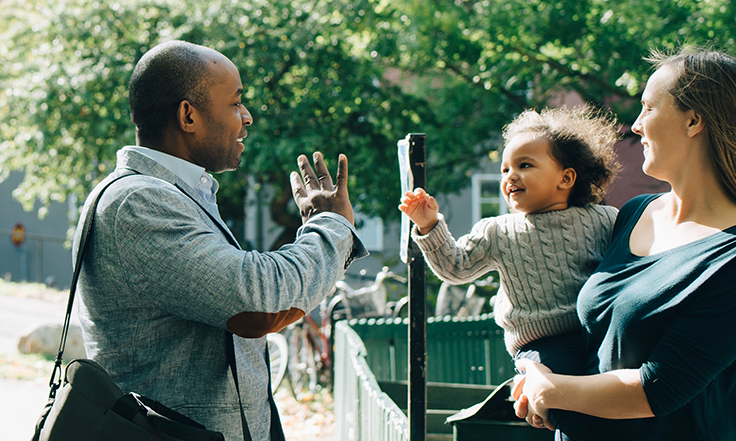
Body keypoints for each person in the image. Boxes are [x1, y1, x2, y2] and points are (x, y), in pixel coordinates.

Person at [73, 40, 367, 441]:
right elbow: (259, 299)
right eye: (235, 102)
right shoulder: (138, 202)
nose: (247, 118)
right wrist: (332, 227)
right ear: (188, 115)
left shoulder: (175, 194)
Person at [512, 46, 736, 440]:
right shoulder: (633, 214)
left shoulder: (729, 258)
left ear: (694, 120)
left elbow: (659, 388)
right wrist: (536, 370)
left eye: (648, 108)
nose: (634, 125)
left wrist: (554, 390)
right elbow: (587, 334)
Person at [399, 107, 621, 433]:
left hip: (596, 332)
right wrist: (429, 224)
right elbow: (455, 267)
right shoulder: (498, 232)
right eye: (504, 169)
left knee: (614, 389)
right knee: (562, 404)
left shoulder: (604, 219)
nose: (509, 176)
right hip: (542, 344)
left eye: (524, 165)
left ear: (566, 177)